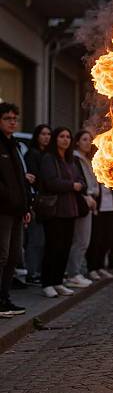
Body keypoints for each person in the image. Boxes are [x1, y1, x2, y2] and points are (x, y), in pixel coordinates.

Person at [40, 127, 85, 298]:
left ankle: (58, 282)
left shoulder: (70, 159)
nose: (65, 140)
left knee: (65, 247)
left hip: (70, 210)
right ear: (55, 139)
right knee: (53, 247)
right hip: (55, 210)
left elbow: (80, 179)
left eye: (68, 136)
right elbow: (51, 182)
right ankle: (47, 283)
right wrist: (71, 185)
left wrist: (77, 184)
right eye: (61, 136)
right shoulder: (49, 158)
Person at [0, 103, 30, 318]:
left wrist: (26, 205)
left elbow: (21, 178)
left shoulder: (15, 145)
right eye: (7, 118)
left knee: (13, 256)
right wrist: (10, 199)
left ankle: (5, 298)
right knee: (1, 255)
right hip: (2, 209)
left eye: (15, 118)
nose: (12, 122)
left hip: (18, 210)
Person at [66, 130, 97, 288]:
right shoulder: (75, 159)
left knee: (85, 240)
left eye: (90, 140)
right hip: (82, 201)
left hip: (89, 201)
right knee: (80, 240)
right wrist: (87, 196)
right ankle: (73, 274)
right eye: (84, 139)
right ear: (77, 142)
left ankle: (77, 270)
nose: (88, 142)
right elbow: (80, 181)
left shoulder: (87, 159)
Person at [23, 124, 51, 285]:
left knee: (42, 240)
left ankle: (37, 272)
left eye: (48, 134)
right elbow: (34, 178)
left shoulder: (47, 154)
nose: (46, 137)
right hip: (36, 202)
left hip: (46, 203)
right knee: (35, 240)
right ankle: (31, 273)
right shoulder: (32, 154)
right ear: (37, 136)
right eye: (43, 134)